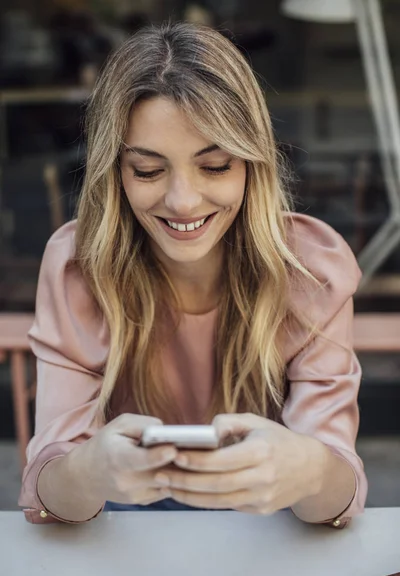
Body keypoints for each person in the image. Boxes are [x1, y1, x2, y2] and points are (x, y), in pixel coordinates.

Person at [19, 22, 367, 528]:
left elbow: (336, 497)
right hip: (123, 517)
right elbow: (48, 492)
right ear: (115, 172)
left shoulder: (312, 270)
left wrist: (310, 471)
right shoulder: (79, 266)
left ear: (253, 164)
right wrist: (88, 471)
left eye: (216, 165)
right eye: (147, 170)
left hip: (268, 517)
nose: (182, 201)